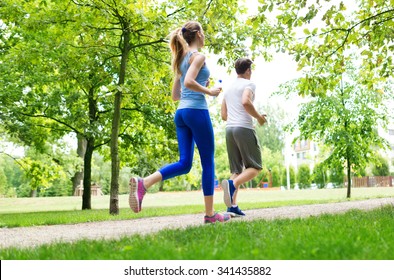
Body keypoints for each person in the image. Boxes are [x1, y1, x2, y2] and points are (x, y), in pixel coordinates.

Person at [128, 21, 230, 224]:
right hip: (196, 111)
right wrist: (209, 91)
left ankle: (144, 183)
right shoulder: (199, 56)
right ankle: (210, 215)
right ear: (199, 34)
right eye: (204, 32)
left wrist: (199, 84)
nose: (205, 35)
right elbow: (189, 82)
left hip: (181, 113)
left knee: (185, 164)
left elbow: (176, 95)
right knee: (208, 161)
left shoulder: (181, 59)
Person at [220, 58, 267, 217]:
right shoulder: (249, 84)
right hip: (243, 128)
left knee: (236, 170)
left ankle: (232, 207)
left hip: (230, 130)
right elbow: (246, 102)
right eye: (251, 70)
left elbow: (224, 115)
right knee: (255, 167)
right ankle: (232, 184)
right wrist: (259, 118)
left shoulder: (228, 88)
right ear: (248, 70)